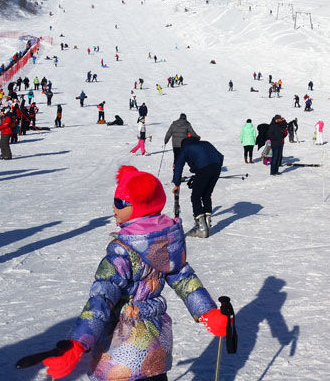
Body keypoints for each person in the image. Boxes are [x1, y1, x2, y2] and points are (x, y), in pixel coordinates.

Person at [36, 166, 228, 381]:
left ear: (138, 207)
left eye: (120, 202)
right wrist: (207, 311)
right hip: (155, 340)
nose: (113, 207)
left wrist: (78, 343)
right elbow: (184, 278)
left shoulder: (122, 250)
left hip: (122, 346)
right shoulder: (167, 240)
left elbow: (102, 297)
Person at [173, 136, 225, 238]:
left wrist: (176, 183)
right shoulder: (205, 143)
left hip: (203, 169)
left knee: (195, 197)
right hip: (216, 167)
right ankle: (207, 222)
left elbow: (178, 166)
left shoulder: (185, 148)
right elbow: (220, 156)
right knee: (206, 195)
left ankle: (201, 228)